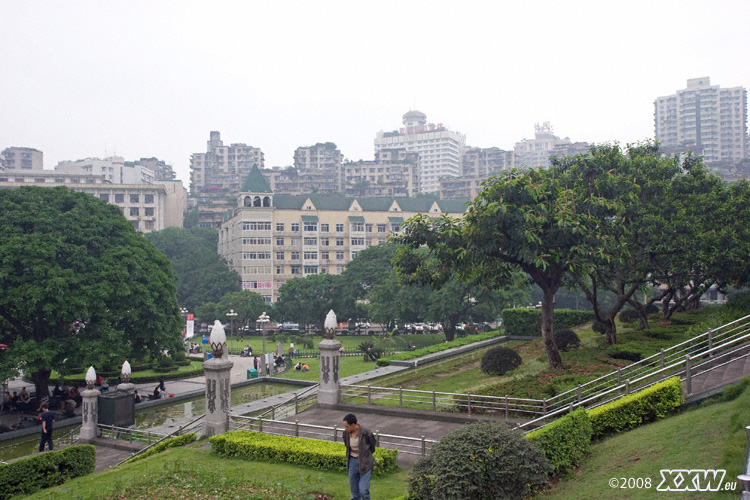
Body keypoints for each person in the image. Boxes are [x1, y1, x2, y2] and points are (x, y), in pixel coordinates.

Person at [342, 413, 376, 500]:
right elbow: (347, 446)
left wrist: (365, 456)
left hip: (365, 463)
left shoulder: (366, 433)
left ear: (353, 425)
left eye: (347, 426)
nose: (345, 429)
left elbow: (372, 446)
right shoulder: (346, 434)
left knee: (363, 490)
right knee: (354, 491)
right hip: (352, 461)